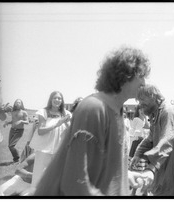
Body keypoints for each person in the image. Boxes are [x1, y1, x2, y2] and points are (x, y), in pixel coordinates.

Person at [32, 46, 151, 196]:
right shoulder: (94, 108)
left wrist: (125, 175)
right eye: (140, 75)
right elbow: (75, 183)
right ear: (126, 74)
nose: (144, 82)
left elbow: (103, 164)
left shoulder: (117, 110)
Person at [130, 84, 174, 196]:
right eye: (139, 100)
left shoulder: (168, 111)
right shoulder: (156, 115)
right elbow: (150, 139)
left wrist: (151, 168)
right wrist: (138, 154)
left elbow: (167, 140)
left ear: (153, 96)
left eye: (142, 99)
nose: (140, 104)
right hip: (167, 170)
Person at [29, 91, 72, 187]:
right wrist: (57, 124)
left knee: (56, 172)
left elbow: (70, 131)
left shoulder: (66, 113)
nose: (57, 100)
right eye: (55, 98)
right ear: (51, 99)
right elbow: (40, 131)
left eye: (59, 98)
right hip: (44, 146)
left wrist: (66, 123)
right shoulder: (43, 112)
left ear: (62, 101)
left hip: (59, 146)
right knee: (39, 172)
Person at [3, 99, 29, 163]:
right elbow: (13, 121)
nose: (17, 103)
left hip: (19, 131)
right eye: (16, 102)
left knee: (11, 146)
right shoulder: (13, 112)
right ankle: (16, 159)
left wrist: (21, 121)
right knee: (10, 146)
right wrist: (8, 123)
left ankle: (17, 158)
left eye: (19, 102)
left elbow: (27, 122)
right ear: (14, 104)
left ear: (21, 104)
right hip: (12, 130)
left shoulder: (24, 112)